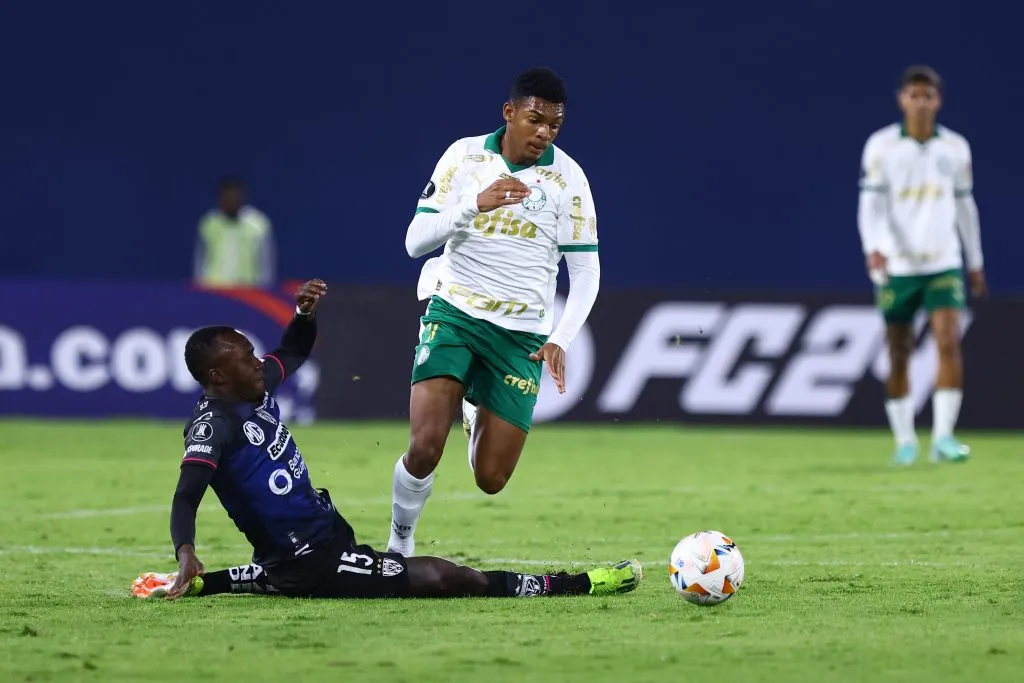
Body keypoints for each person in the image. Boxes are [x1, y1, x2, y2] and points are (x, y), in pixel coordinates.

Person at [130, 279, 641, 600]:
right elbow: (186, 494)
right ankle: (580, 584)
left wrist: (304, 315)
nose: (257, 359)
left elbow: (294, 349)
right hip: (311, 562)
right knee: (446, 578)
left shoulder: (257, 383)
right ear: (218, 376)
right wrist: (185, 550)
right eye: (244, 356)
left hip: (318, 541)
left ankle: (207, 584)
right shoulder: (212, 425)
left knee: (279, 573)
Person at [390, 67, 601, 557]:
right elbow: (414, 242)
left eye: (554, 125)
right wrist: (473, 206)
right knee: (425, 447)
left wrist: (560, 339)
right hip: (456, 311)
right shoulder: (464, 157)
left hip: (520, 335)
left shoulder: (568, 180)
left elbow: (586, 273)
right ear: (509, 113)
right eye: (534, 120)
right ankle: (399, 545)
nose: (544, 132)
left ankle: (472, 409)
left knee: (491, 479)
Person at [857, 66, 986, 466]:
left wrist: (975, 260)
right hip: (898, 264)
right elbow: (870, 204)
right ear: (902, 99)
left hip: (943, 262)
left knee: (948, 341)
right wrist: (873, 247)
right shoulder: (881, 146)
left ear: (938, 101)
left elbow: (965, 205)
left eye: (928, 95)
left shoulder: (955, 148)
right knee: (899, 351)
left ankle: (944, 438)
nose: (921, 102)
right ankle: (905, 441)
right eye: (914, 95)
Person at [193, 176, 276, 288]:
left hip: (248, 291)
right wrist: (201, 287)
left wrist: (264, 289)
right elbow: (201, 259)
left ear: (241, 198)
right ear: (221, 199)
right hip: (215, 290)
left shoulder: (257, 224)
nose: (231, 202)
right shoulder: (209, 223)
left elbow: (265, 262)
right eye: (227, 199)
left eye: (234, 198)